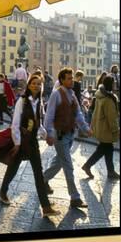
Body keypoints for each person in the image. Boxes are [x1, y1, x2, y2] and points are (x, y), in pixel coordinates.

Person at [0, 75, 61, 217]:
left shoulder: (39, 102)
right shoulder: (22, 100)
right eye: (33, 83)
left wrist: (46, 136)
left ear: (41, 86)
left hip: (32, 142)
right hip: (21, 142)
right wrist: (17, 143)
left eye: (38, 84)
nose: (36, 86)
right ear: (29, 85)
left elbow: (38, 124)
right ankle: (3, 191)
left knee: (38, 174)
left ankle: (45, 207)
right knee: (13, 168)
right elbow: (15, 123)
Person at [43, 67, 93, 209]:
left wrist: (85, 128)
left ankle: (42, 180)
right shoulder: (56, 95)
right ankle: (75, 198)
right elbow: (49, 116)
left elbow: (78, 114)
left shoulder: (72, 94)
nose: (72, 80)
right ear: (62, 80)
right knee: (68, 166)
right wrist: (50, 134)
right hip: (60, 136)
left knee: (58, 162)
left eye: (72, 78)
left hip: (70, 135)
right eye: (69, 78)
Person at [82, 76, 121, 180]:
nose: (115, 85)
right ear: (110, 84)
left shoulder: (100, 95)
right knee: (104, 149)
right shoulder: (108, 99)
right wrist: (116, 130)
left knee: (107, 149)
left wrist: (93, 126)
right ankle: (88, 166)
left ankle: (110, 171)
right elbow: (111, 118)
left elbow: (94, 113)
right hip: (107, 129)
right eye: (114, 83)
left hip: (101, 127)